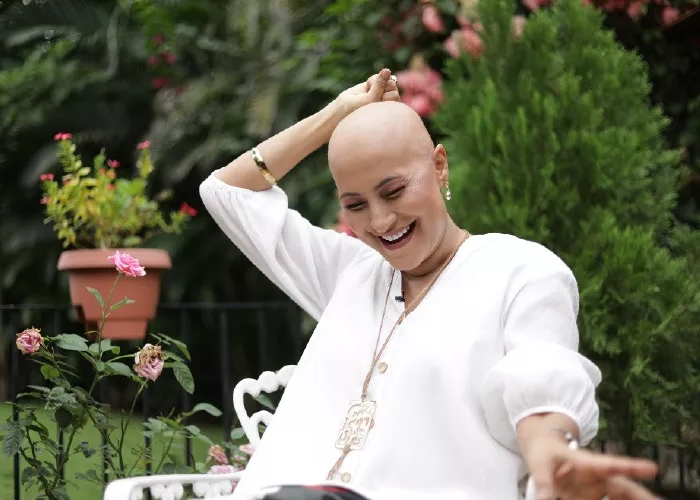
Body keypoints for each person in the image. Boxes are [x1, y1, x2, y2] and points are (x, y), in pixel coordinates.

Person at [200, 69, 659, 500]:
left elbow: (538, 377)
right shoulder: (350, 273)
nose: (380, 220)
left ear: (440, 166)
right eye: (355, 204)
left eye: (394, 191)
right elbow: (226, 193)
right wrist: (338, 115)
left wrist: (551, 452)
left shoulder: (521, 271)